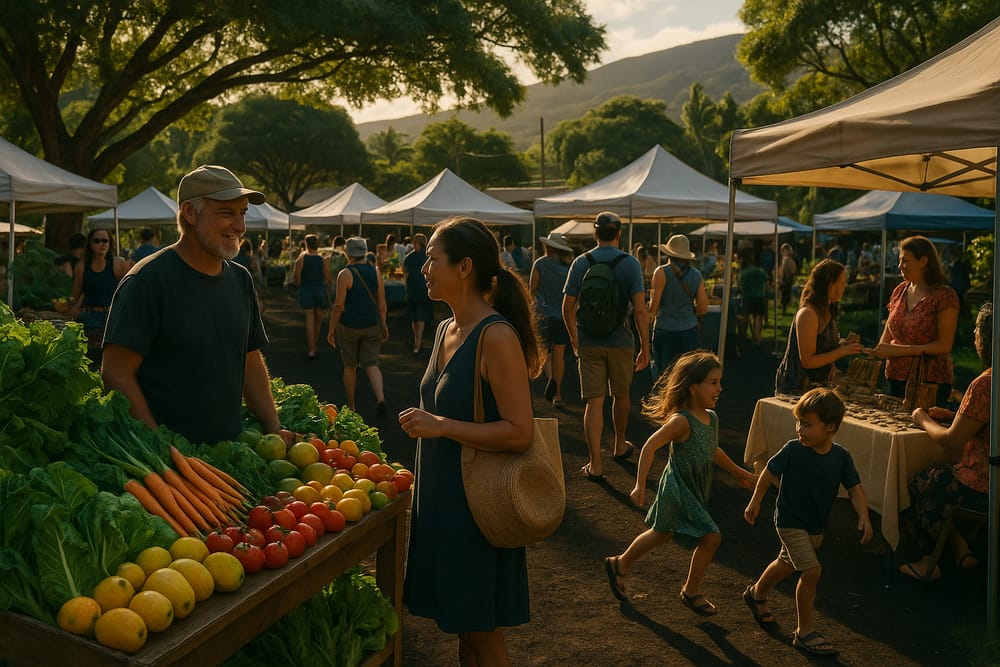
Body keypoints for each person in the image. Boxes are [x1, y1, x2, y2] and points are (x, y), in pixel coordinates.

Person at [397, 216, 541, 666]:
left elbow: (520, 432)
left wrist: (441, 425)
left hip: (476, 507)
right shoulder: (445, 329)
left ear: (464, 267)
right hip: (441, 501)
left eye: (432, 259)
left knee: (481, 632)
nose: (423, 267)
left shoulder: (496, 336)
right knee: (463, 626)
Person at [101, 164, 281, 445]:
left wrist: (275, 428)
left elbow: (249, 359)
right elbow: (116, 373)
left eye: (243, 213)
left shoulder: (240, 279)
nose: (240, 226)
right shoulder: (148, 280)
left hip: (229, 455)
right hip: (172, 464)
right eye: (227, 213)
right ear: (189, 212)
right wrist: (162, 448)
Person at [603, 351, 756, 611]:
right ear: (693, 387)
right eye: (713, 382)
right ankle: (691, 591)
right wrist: (640, 484)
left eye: (719, 382)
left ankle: (620, 563)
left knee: (661, 533)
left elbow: (712, 450)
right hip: (677, 488)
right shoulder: (681, 421)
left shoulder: (711, 418)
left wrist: (742, 474)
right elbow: (650, 446)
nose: (720, 388)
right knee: (711, 537)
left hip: (694, 487)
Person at [743, 387, 872, 658]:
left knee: (787, 562)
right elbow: (768, 472)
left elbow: (855, 488)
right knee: (811, 571)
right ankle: (804, 632)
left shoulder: (841, 457)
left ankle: (756, 593)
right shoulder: (793, 450)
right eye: (798, 422)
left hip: (815, 525)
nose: (799, 429)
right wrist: (755, 501)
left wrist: (864, 515)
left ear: (830, 427)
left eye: (807, 424)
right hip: (789, 521)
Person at [900, 301, 992, 581]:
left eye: (976, 330)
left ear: (985, 339)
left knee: (920, 481)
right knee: (939, 477)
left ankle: (929, 559)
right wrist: (956, 416)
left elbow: (951, 440)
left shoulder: (985, 384)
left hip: (982, 484)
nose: (973, 335)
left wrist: (921, 419)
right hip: (991, 479)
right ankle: (961, 549)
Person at [562, 211, 650, 480]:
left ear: (594, 232)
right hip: (621, 340)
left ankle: (596, 465)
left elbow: (567, 307)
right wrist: (645, 346)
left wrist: (574, 337)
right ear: (619, 233)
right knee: (621, 395)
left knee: (594, 402)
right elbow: (640, 310)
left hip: (589, 341)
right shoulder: (630, 264)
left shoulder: (581, 262)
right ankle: (619, 444)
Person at [871, 235, 959, 407]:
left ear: (923, 261)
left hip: (929, 382)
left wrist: (901, 350)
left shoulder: (944, 295)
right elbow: (885, 341)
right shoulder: (899, 291)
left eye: (905, 261)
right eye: (899, 260)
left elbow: (944, 345)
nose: (899, 266)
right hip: (895, 378)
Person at [774, 259, 863, 394]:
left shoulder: (827, 310)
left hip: (817, 389)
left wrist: (844, 344)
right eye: (841, 282)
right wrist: (840, 352)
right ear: (830, 283)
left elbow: (821, 346)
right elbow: (807, 361)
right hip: (796, 388)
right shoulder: (808, 314)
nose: (845, 286)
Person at [327, 236, 388, 417]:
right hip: (372, 324)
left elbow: (338, 306)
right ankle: (381, 398)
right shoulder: (376, 272)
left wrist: (331, 330)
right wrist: (384, 324)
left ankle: (352, 406)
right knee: (371, 363)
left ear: (348, 253)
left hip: (349, 326)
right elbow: (382, 304)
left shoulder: (345, 274)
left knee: (350, 365)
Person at [648, 234, 707, 375]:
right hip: (689, 329)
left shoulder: (661, 272)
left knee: (665, 375)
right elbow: (703, 308)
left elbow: (653, 307)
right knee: (689, 374)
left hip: (665, 329)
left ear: (669, 253)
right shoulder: (696, 275)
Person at [69, 228, 129, 363]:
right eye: (97, 241)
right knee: (89, 359)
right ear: (90, 244)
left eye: (105, 241)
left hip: (110, 318)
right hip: (88, 317)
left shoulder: (117, 264)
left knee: (109, 359)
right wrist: (73, 306)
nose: (102, 244)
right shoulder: (82, 266)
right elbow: (76, 293)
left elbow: (129, 287)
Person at [530, 231, 573, 408]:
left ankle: (550, 377)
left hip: (543, 313)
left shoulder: (540, 264)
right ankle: (558, 393)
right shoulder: (568, 267)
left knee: (543, 350)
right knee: (559, 354)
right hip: (562, 316)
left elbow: (532, 289)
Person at [292, 233, 331, 359]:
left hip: (306, 290)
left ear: (306, 244)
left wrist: (301, 286)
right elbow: (327, 278)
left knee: (309, 318)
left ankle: (311, 349)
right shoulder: (323, 260)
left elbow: (296, 278)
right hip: (319, 290)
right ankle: (315, 344)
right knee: (318, 319)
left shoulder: (301, 259)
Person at [403, 233, 432, 354]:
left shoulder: (410, 256)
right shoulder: (429, 257)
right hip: (424, 289)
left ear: (416, 243)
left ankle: (417, 342)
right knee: (420, 317)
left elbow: (404, 270)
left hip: (413, 289)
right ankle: (417, 342)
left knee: (415, 318)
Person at [739, 249, 769, 347]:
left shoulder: (743, 273)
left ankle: (743, 336)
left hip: (748, 297)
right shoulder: (761, 272)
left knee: (745, 317)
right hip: (759, 297)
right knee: (758, 317)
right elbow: (767, 285)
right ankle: (757, 339)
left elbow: (740, 286)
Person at [232, 239, 267, 315]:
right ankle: (258, 316)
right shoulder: (249, 259)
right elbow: (256, 274)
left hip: (234, 286)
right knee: (260, 299)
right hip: (246, 285)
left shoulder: (233, 257)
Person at [778, 243, 797, 314]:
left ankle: (783, 310)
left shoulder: (786, 259)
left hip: (786, 279)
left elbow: (783, 270)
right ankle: (783, 310)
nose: (782, 252)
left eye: (783, 250)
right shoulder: (789, 259)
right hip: (788, 280)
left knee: (784, 295)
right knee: (785, 295)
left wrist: (781, 279)